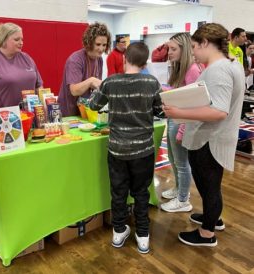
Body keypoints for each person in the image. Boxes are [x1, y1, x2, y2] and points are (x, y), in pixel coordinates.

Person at [163, 23, 245, 246]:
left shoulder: (218, 69)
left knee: (209, 186)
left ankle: (207, 233)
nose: (194, 52)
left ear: (206, 43)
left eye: (195, 47)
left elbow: (219, 110)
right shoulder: (232, 63)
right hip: (216, 136)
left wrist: (180, 112)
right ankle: (213, 218)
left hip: (210, 138)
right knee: (211, 186)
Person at [89, 42, 162, 254]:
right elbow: (159, 111)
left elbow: (93, 105)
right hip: (143, 150)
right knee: (141, 193)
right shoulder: (151, 82)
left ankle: (119, 231)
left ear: (124, 59)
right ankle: (143, 236)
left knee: (118, 192)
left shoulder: (110, 82)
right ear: (145, 61)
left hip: (117, 149)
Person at [160, 32, 202, 213]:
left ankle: (183, 199)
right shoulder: (179, 68)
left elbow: (192, 103)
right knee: (173, 159)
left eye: (173, 49)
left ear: (184, 50)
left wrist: (182, 130)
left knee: (182, 163)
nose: (169, 52)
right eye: (169, 48)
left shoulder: (192, 70)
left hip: (181, 122)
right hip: (174, 119)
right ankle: (179, 190)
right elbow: (179, 92)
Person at [0, 22, 43, 110]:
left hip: (30, 117)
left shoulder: (27, 58)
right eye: (17, 40)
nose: (21, 43)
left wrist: (42, 110)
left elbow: (39, 86)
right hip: (5, 119)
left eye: (22, 39)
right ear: (4, 40)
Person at [58, 22, 111, 117]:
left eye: (104, 45)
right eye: (98, 44)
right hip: (70, 113)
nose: (101, 49)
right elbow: (74, 90)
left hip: (86, 111)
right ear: (89, 42)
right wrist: (91, 81)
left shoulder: (99, 59)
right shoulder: (75, 59)